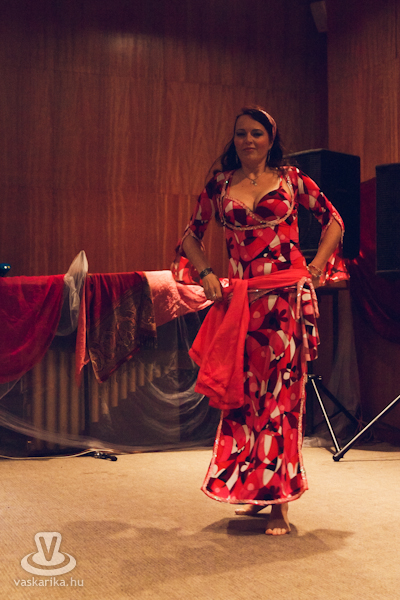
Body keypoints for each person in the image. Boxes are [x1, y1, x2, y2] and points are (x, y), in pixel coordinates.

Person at [172, 106, 348, 535]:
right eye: (240, 134)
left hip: (285, 302)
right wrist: (206, 273)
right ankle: (254, 488)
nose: (247, 140)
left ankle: (279, 503)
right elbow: (190, 237)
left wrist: (316, 267)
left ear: (271, 139)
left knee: (281, 399)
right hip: (242, 304)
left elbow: (334, 221)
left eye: (256, 133)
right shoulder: (219, 185)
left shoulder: (291, 179)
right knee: (245, 398)